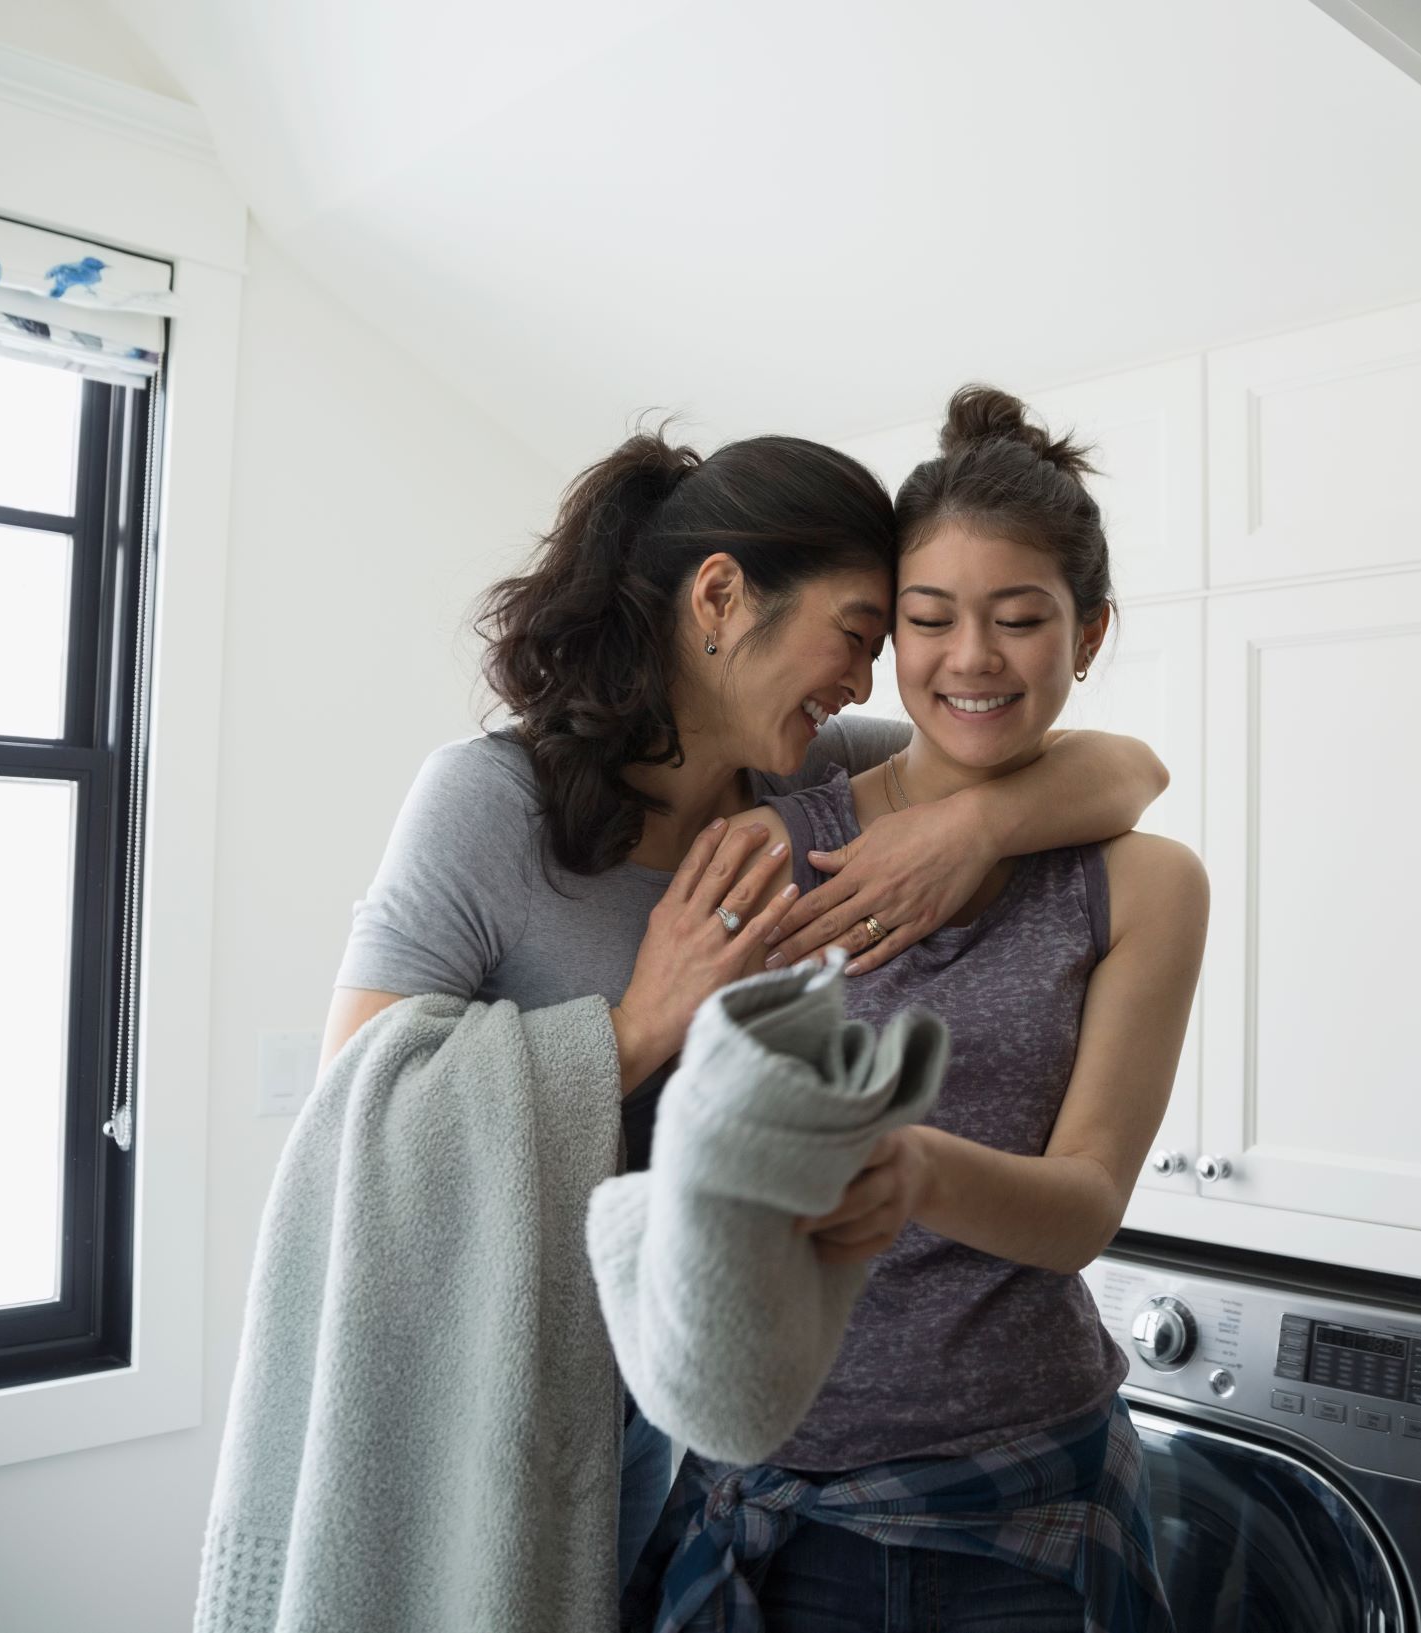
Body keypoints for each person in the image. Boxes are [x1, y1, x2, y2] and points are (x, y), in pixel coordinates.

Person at [318, 424, 1173, 1594]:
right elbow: (359, 1110)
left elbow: (1102, 764)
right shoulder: (486, 802)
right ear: (720, 597)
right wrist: (636, 1028)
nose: (870, 681)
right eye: (867, 632)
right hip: (532, 1373)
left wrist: (976, 824)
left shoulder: (805, 782)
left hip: (693, 1403)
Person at [628, 387, 1210, 1633]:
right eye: (930, 618)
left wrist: (909, 1166)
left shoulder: (1144, 885)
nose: (971, 659)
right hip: (767, 1494)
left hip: (1023, 1503)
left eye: (1019, 619)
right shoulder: (765, 847)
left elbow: (1083, 1208)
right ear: (889, 638)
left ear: (1089, 633)